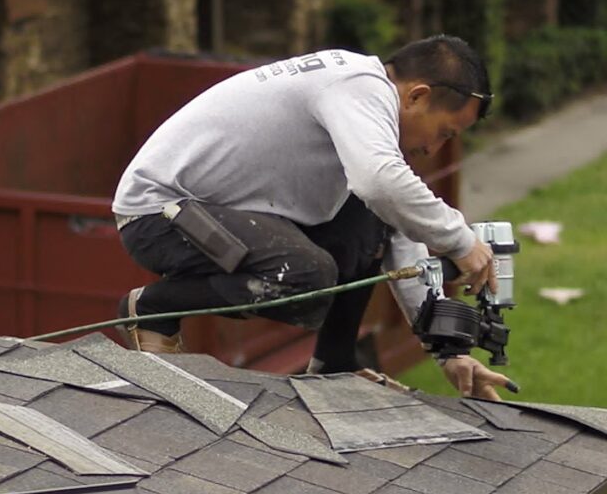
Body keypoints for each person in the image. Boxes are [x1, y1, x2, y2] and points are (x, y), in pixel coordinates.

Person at [112, 35, 513, 401]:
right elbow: (379, 182)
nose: (433, 148)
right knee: (304, 273)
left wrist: (448, 353)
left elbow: (395, 223)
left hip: (218, 209)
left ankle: (335, 362)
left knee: (370, 221)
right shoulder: (357, 87)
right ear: (417, 96)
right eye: (445, 132)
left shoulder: (362, 99)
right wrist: (461, 241)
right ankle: (155, 308)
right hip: (159, 213)